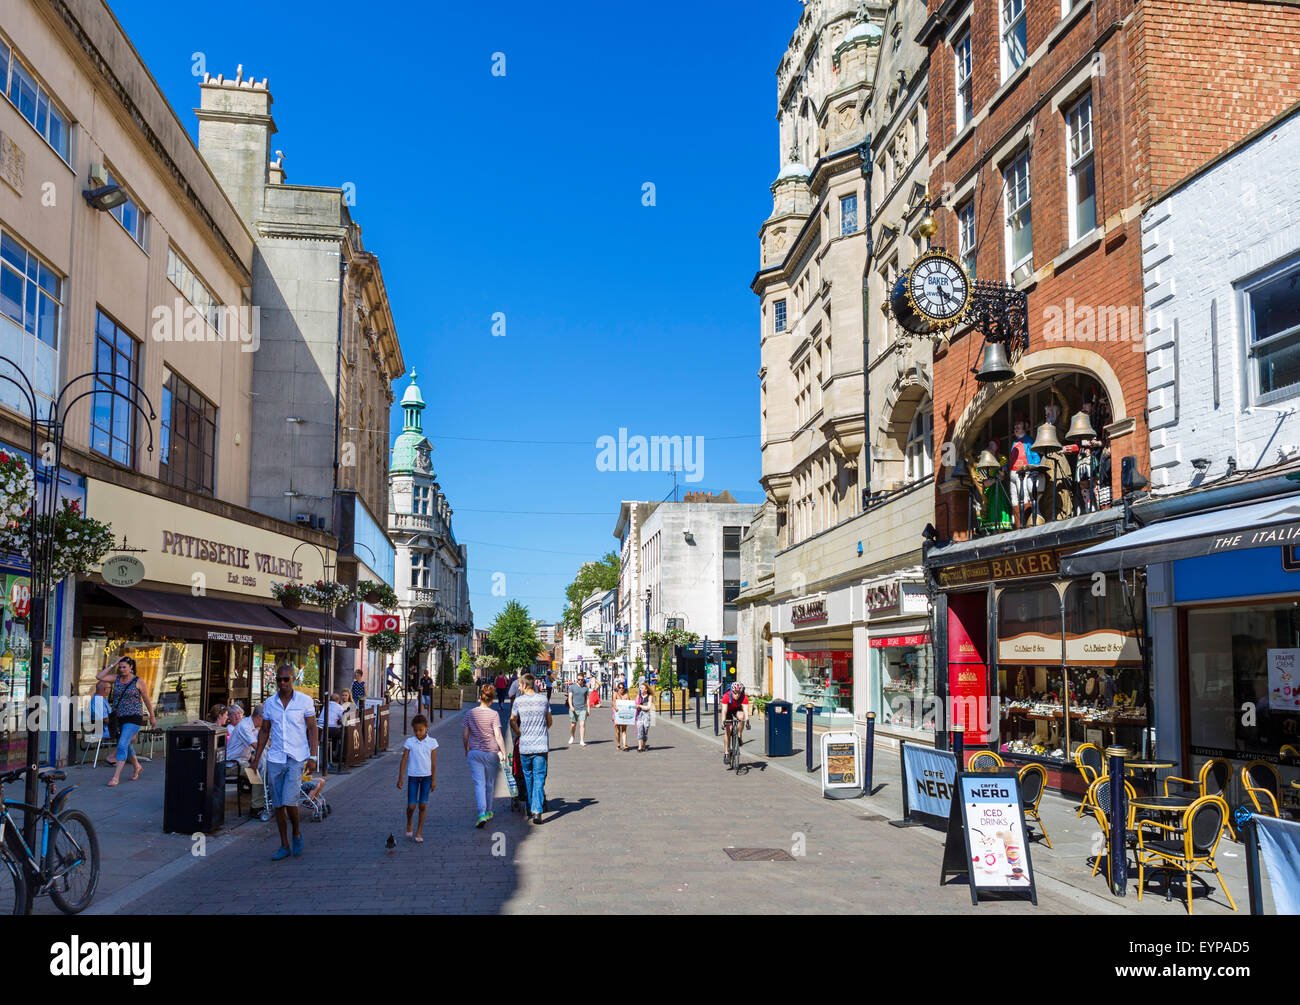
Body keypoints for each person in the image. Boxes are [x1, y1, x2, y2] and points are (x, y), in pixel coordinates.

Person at [251, 665, 319, 861]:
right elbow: (264, 731)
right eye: (279, 680)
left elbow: (313, 729)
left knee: (290, 800)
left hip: (296, 757)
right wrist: (257, 759)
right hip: (275, 758)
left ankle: (296, 832)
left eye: (286, 679)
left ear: (293, 679)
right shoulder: (270, 703)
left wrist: (312, 756)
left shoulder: (304, 701)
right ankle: (284, 844)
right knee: (278, 804)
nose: (282, 683)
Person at [96, 656, 156, 787]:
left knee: (122, 744)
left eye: (124, 667)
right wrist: (114, 663)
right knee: (126, 744)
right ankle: (137, 766)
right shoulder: (116, 679)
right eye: (120, 667)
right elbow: (99, 676)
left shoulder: (138, 681)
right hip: (118, 718)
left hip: (134, 717)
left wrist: (152, 715)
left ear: (131, 668)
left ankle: (115, 777)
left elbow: (146, 699)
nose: (122, 669)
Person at [463, 684, 507, 827]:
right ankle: (488, 810)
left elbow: (465, 735)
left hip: (475, 752)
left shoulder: (470, 713)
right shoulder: (494, 714)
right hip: (491, 753)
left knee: (479, 783)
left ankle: (481, 813)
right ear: (492, 699)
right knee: (489, 783)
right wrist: (504, 752)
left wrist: (466, 749)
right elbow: (499, 735)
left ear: (480, 696)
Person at [510, 674, 552, 824]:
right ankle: (537, 811)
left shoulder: (518, 701)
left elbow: (512, 720)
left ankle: (530, 807)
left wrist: (519, 732)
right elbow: (549, 721)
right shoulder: (543, 700)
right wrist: (541, 729)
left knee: (528, 778)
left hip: (525, 746)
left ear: (525, 685)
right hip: (540, 745)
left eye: (520, 686)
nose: (518, 688)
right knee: (539, 778)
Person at [397, 714, 438, 842]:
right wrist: (400, 777)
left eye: (420, 730)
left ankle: (419, 832)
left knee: (423, 805)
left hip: (426, 777)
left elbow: (433, 763)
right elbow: (404, 759)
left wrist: (433, 780)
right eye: (415, 730)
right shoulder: (410, 742)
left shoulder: (432, 742)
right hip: (413, 777)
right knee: (411, 806)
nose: (418, 733)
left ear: (426, 728)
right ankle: (409, 821)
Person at [1008, 417, 1042, 529]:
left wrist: (1034, 466)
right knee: (1014, 498)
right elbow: (1012, 459)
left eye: (1019, 426)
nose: (1016, 429)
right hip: (1012, 473)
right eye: (1015, 427)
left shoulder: (1029, 441)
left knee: (1023, 495)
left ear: (1024, 427)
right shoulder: (1014, 443)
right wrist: (1005, 467)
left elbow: (1035, 456)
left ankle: (1027, 522)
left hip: (1022, 472)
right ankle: (1018, 524)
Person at [719, 680, 750, 760]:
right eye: (735, 693)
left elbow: (746, 711)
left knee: (741, 716)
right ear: (731, 691)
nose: (737, 695)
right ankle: (726, 753)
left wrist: (747, 722)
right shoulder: (726, 696)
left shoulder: (743, 697)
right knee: (728, 729)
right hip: (728, 710)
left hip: (737, 709)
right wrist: (723, 721)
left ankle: (739, 735)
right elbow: (724, 711)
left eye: (739, 693)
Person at [567, 672, 591, 746]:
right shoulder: (572, 687)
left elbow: (587, 699)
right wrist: (571, 706)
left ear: (583, 679)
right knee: (573, 725)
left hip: (582, 708)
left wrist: (588, 709)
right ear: (576, 679)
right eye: (578, 679)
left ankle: (582, 740)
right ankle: (572, 736)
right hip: (574, 708)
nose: (580, 681)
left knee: (582, 724)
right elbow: (570, 697)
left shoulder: (585, 688)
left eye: (581, 679)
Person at [633, 679, 654, 752]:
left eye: (642, 688)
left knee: (645, 730)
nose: (640, 689)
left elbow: (648, 707)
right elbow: (635, 705)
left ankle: (644, 745)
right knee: (639, 730)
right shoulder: (638, 696)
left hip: (646, 715)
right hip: (639, 715)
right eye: (640, 688)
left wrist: (640, 706)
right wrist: (636, 706)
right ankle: (639, 747)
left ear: (646, 690)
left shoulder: (649, 696)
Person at [611, 681, 630, 751]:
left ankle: (625, 745)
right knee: (617, 731)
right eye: (620, 688)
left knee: (624, 730)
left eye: (622, 688)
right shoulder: (615, 694)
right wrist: (615, 708)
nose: (621, 689)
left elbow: (629, 704)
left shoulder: (626, 695)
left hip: (624, 714)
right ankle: (618, 744)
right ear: (617, 688)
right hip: (617, 713)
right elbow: (613, 702)